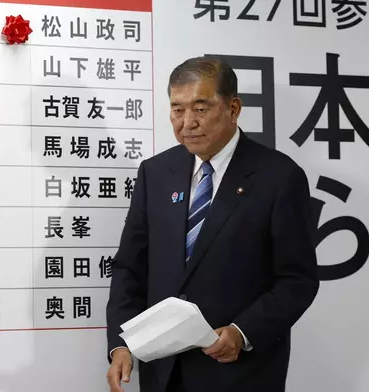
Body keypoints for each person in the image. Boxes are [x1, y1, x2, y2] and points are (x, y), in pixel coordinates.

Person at [105, 56, 320, 392]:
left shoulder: (279, 177)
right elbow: (129, 267)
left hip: (240, 373)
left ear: (233, 108)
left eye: (201, 108)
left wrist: (242, 331)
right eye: (177, 109)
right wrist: (120, 344)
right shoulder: (156, 173)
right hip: (163, 374)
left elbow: (297, 279)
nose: (187, 122)